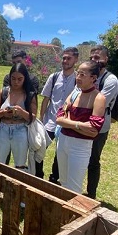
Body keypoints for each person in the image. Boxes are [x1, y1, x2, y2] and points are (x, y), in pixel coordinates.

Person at [55, 60, 106, 193]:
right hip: (63, 141)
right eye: (78, 73)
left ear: (93, 78)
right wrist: (80, 124)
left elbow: (93, 131)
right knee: (63, 182)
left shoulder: (99, 98)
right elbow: (59, 119)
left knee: (74, 187)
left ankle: (72, 213)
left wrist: (69, 123)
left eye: (82, 74)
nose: (78, 77)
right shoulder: (75, 93)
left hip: (80, 146)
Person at [39, 47, 78, 182]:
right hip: (49, 122)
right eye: (64, 58)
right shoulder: (54, 77)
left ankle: (54, 179)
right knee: (39, 150)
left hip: (65, 125)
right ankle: (38, 175)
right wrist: (41, 120)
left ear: (76, 60)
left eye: (69, 58)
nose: (65, 61)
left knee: (60, 155)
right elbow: (46, 99)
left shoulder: (78, 80)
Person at [86, 45, 118, 198]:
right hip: (81, 124)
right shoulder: (86, 75)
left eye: (98, 57)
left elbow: (100, 103)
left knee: (93, 160)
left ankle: (91, 194)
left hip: (99, 128)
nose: (94, 60)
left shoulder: (110, 80)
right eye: (92, 57)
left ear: (106, 59)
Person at [0, 63, 38, 170]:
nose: (16, 82)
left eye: (19, 79)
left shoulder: (29, 95)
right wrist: (3, 113)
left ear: (25, 79)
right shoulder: (3, 92)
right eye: (13, 79)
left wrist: (21, 112)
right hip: (3, 129)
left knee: (20, 164)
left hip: (21, 130)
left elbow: (33, 117)